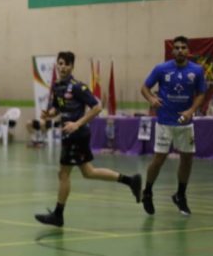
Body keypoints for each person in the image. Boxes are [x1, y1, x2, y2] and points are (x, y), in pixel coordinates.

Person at [34, 51, 142, 227]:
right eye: (60, 63)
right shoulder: (57, 87)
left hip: (77, 135)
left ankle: (58, 215)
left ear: (72, 67)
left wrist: (77, 123)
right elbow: (58, 108)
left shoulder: (78, 87)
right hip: (69, 135)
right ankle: (130, 181)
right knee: (88, 172)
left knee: (63, 174)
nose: (62, 67)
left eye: (66, 64)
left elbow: (97, 107)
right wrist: (50, 114)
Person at [139, 36, 206, 216]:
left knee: (187, 158)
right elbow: (144, 88)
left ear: (188, 50)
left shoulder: (197, 70)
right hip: (164, 121)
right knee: (159, 158)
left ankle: (180, 195)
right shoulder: (161, 69)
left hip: (185, 122)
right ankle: (147, 192)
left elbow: (201, 94)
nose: (180, 50)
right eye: (176, 47)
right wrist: (152, 99)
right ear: (172, 51)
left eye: (183, 47)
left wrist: (191, 111)